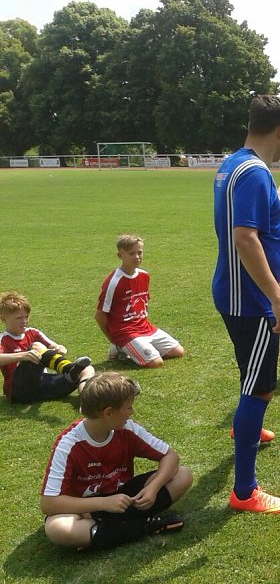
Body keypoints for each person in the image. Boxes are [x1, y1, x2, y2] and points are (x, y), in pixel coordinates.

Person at [212, 94, 280, 514]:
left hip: (230, 289)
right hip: (251, 299)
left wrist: (274, 202)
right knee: (261, 386)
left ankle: (247, 428)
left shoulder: (232, 164)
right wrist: (278, 299)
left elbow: (242, 222)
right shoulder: (255, 173)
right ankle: (245, 491)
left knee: (250, 370)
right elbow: (245, 238)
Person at [40, 372, 192, 550]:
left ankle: (103, 534)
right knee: (57, 528)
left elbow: (171, 457)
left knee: (183, 475)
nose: (132, 412)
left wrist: (153, 488)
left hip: (126, 500)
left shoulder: (127, 428)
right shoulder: (69, 444)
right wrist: (103, 503)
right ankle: (146, 526)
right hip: (86, 509)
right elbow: (48, 503)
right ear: (108, 413)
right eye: (128, 407)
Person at [95, 235, 185, 368]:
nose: (137, 257)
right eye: (131, 253)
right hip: (125, 332)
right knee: (156, 363)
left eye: (140, 252)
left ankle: (138, 347)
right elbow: (100, 315)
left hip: (145, 327)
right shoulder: (114, 282)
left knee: (179, 352)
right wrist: (115, 340)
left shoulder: (144, 275)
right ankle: (121, 347)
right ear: (120, 255)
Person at [1, 291, 95, 404]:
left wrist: (58, 348)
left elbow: (53, 345)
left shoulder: (33, 332)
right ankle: (68, 369)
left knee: (87, 369)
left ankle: (86, 400)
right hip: (20, 391)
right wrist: (24, 356)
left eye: (26, 317)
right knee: (37, 347)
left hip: (42, 385)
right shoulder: (3, 339)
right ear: (3, 318)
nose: (24, 321)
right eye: (19, 318)